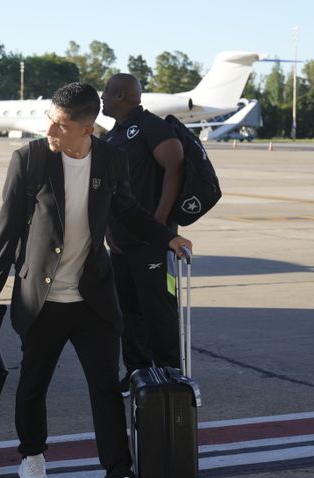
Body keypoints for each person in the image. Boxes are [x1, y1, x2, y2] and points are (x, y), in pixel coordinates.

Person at [0, 82, 192, 478]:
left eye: (63, 123)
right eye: (51, 117)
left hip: (93, 297)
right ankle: (32, 456)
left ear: (89, 128)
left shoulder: (111, 159)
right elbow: (8, 228)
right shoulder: (31, 158)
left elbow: (126, 210)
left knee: (106, 390)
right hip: (44, 298)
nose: (51, 127)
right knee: (34, 383)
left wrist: (167, 236)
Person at [101, 73, 185, 396]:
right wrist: (110, 230)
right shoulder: (114, 135)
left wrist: (160, 225)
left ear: (121, 95)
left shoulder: (151, 126)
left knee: (159, 309)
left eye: (107, 92)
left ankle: (167, 371)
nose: (103, 97)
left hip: (152, 243)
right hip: (121, 245)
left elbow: (175, 166)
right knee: (128, 311)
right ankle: (136, 371)